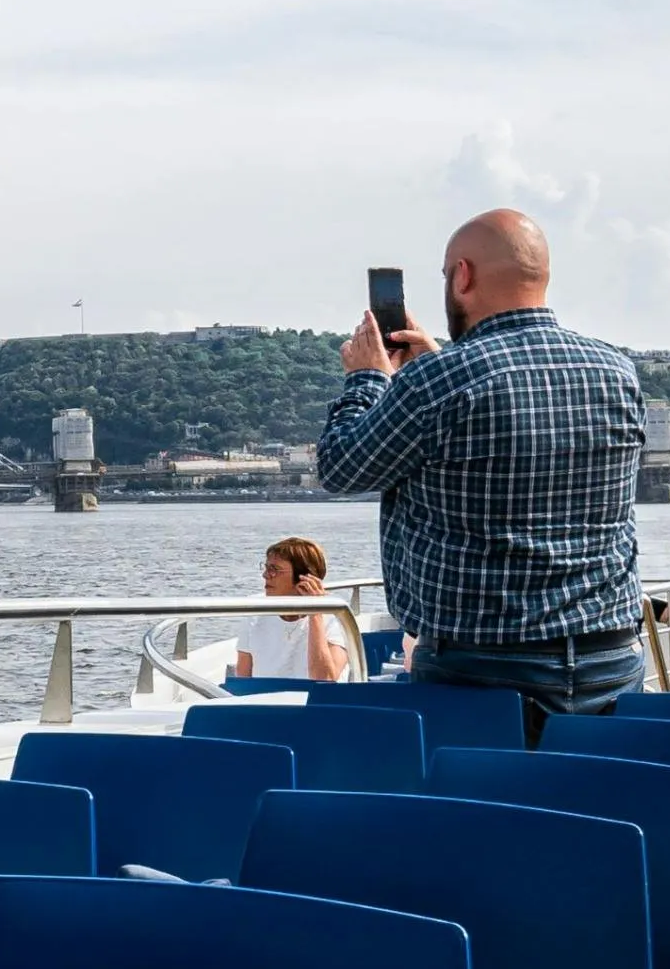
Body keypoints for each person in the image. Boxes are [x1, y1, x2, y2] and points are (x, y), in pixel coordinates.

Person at [315, 208, 646, 723]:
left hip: (481, 666)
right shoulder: (618, 372)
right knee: (593, 798)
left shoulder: (441, 382)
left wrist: (368, 379)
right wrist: (433, 365)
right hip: (610, 656)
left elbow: (340, 466)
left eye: (447, 274)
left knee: (485, 802)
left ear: (463, 275)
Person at [229, 536, 354, 683]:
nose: (265, 575)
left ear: (304, 577)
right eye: (266, 567)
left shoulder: (337, 616)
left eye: (274, 569)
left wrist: (316, 613)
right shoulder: (254, 612)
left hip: (315, 704)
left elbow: (325, 680)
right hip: (266, 703)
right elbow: (243, 683)